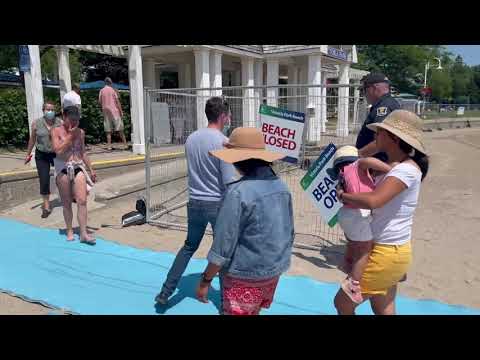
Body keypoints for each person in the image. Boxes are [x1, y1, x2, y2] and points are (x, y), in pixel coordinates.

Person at [334, 110, 429, 315]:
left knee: (343, 303)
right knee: (384, 307)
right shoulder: (397, 167)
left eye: (380, 132)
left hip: (384, 252)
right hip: (391, 250)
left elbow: (374, 201)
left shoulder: (405, 171)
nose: (376, 135)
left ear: (393, 138)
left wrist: (343, 196)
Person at [195, 127, 294, 315]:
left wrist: (205, 280)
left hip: (245, 274)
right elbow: (289, 232)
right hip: (273, 271)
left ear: (239, 159)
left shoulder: (238, 193)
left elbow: (223, 245)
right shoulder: (282, 187)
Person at [155, 97, 236, 305]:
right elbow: (228, 181)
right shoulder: (223, 143)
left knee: (188, 247)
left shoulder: (191, 139)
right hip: (217, 204)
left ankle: (165, 292)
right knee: (224, 254)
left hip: (195, 202)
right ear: (222, 116)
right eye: (228, 115)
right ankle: (227, 302)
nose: (229, 119)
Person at [326, 145, 393, 304]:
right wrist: (389, 169)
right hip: (358, 212)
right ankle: (354, 285)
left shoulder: (341, 175)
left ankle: (348, 263)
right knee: (365, 250)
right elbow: (368, 161)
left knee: (353, 243)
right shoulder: (358, 165)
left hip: (345, 214)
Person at [51, 106, 97, 245]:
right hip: (62, 167)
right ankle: (70, 230)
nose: (74, 122)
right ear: (64, 117)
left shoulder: (81, 132)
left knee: (82, 200)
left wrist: (91, 169)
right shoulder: (56, 131)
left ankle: (83, 233)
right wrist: (70, 136)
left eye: (76, 120)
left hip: (77, 166)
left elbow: (82, 152)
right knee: (66, 203)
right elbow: (57, 150)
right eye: (71, 119)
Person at [24, 102, 63, 218]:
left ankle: (71, 195)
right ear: (43, 110)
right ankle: (46, 206)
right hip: (42, 155)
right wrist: (28, 154)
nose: (50, 111)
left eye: (52, 109)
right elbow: (32, 140)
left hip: (57, 154)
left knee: (63, 177)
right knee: (44, 179)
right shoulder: (36, 123)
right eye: (48, 109)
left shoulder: (60, 123)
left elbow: (65, 138)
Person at [355, 73, 400, 160]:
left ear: (374, 88)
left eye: (364, 90)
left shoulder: (383, 107)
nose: (364, 94)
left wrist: (359, 155)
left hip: (379, 162)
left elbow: (384, 140)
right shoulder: (390, 103)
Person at [98, 77, 127, 151]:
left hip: (106, 112)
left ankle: (109, 146)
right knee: (120, 129)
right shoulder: (113, 90)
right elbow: (117, 102)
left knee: (108, 130)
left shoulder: (101, 90)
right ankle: (125, 145)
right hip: (115, 112)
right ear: (110, 82)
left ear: (105, 82)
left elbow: (99, 102)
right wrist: (121, 111)